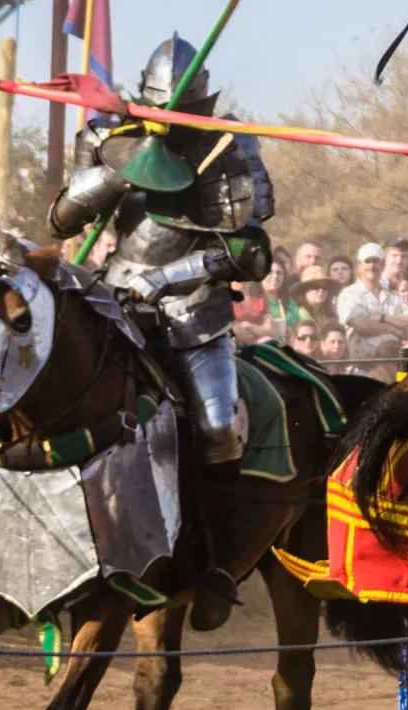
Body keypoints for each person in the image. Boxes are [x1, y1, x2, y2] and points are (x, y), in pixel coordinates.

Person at [46, 35, 277, 629]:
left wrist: (172, 277)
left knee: (220, 427)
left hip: (195, 309)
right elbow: (63, 218)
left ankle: (220, 565)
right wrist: (120, 172)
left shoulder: (225, 143)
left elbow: (249, 252)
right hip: (115, 300)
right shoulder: (106, 134)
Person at [336, 242, 408, 364]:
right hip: (362, 366)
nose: (372, 265)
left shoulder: (393, 296)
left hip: (394, 364)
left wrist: (382, 317)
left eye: (376, 261)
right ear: (359, 266)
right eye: (368, 261)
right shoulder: (349, 294)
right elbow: (362, 326)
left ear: (383, 265)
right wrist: (393, 330)